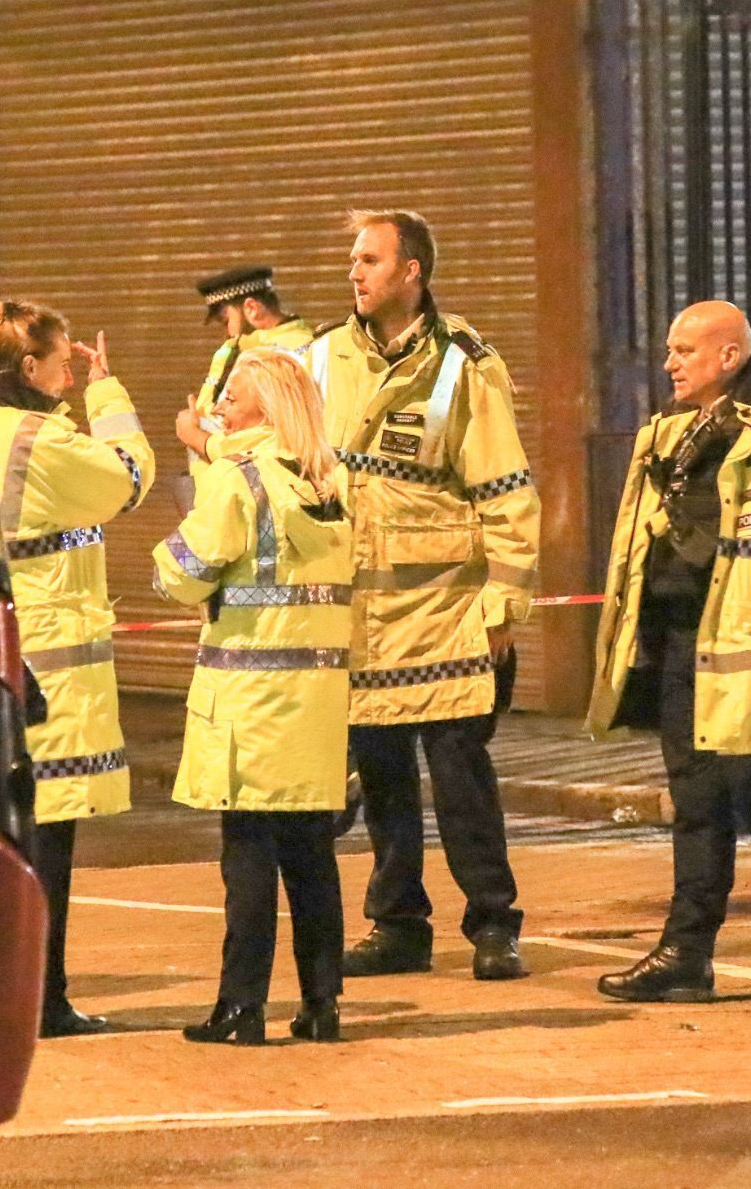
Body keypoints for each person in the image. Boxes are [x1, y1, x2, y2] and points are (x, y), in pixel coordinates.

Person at [179, 210, 540, 981]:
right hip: (356, 613)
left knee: (459, 776)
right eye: (353, 259)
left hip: (444, 611)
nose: (355, 272)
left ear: (413, 271)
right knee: (381, 779)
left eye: (371, 259)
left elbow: (508, 492)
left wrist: (503, 606)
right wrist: (211, 444)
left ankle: (492, 923)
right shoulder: (318, 357)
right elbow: (278, 451)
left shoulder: (461, 365)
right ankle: (398, 923)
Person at [587, 301, 751, 1004]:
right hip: (683, 642)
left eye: (684, 350)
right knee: (697, 800)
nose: (669, 363)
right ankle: (686, 954)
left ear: (730, 355)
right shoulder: (668, 435)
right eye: (670, 350)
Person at [154, 347, 353, 1046]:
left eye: (232, 399)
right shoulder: (332, 480)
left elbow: (186, 571)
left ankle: (241, 1009)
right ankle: (322, 1005)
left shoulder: (236, 480)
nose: (219, 409)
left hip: (249, 698)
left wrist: (165, 558)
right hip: (316, 703)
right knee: (312, 861)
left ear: (265, 406)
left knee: (247, 865)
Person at [0, 298, 156, 1037]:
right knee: (47, 844)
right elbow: (130, 478)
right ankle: (42, 1000)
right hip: (48, 662)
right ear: (30, 369)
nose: (70, 374)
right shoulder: (40, 440)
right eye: (62, 362)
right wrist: (109, 392)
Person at [176, 266, 316, 507]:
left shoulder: (294, 356)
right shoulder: (235, 349)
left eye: (226, 320)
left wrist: (199, 439)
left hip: (259, 502)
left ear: (251, 308)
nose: (228, 332)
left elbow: (277, 439)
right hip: (217, 496)